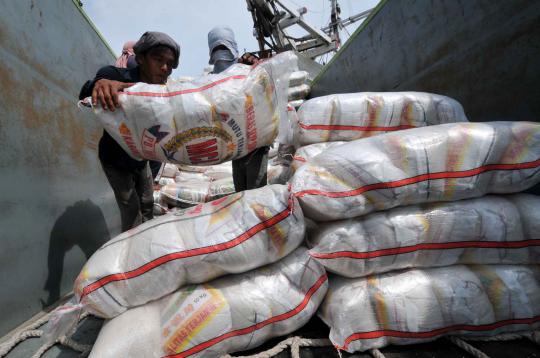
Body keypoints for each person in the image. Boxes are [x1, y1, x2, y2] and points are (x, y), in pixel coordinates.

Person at [79, 31, 180, 232]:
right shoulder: (115, 76)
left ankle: (148, 244)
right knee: (132, 212)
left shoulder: (164, 90)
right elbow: (91, 89)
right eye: (158, 60)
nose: (164, 68)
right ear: (141, 59)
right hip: (115, 160)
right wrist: (100, 86)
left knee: (148, 203)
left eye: (170, 64)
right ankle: (133, 258)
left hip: (141, 160)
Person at [207, 26, 268, 192]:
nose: (221, 53)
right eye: (217, 49)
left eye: (224, 48)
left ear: (233, 46)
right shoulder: (213, 78)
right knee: (241, 191)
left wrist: (252, 65)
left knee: (255, 192)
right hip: (236, 142)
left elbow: (264, 83)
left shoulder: (247, 63)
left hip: (255, 140)